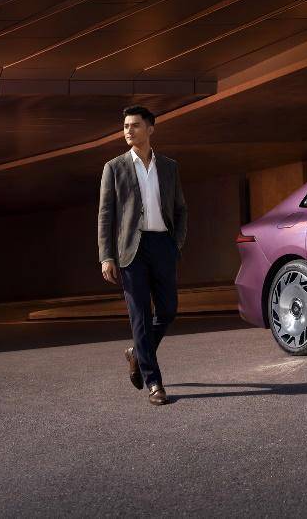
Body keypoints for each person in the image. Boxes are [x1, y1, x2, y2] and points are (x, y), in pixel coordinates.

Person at [97, 105, 187, 406]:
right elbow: (106, 215)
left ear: (150, 129)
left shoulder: (169, 166)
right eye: (125, 126)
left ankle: (137, 352)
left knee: (168, 310)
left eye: (134, 125)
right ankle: (154, 383)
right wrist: (106, 256)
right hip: (130, 250)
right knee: (140, 316)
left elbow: (180, 209)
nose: (128, 130)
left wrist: (176, 243)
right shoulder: (114, 167)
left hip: (162, 245)